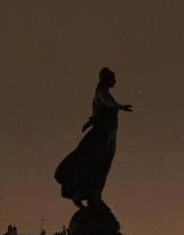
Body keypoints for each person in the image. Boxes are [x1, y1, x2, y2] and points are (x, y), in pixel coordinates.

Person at [55, 67, 133, 208]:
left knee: (104, 166)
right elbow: (108, 102)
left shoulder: (103, 93)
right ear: (107, 79)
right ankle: (79, 191)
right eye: (113, 77)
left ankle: (94, 196)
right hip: (102, 136)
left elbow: (99, 112)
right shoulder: (102, 92)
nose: (115, 80)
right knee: (96, 162)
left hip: (109, 136)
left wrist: (90, 121)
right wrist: (121, 107)